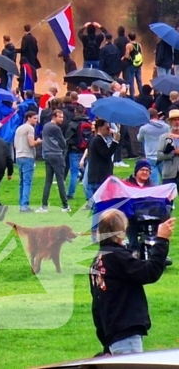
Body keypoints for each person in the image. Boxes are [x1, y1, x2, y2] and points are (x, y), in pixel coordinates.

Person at [89, 209, 173, 355]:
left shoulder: (98, 261)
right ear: (121, 231)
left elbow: (97, 305)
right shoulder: (117, 257)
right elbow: (149, 272)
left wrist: (105, 339)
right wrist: (162, 241)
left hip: (112, 333)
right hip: (125, 331)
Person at [38, 109, 69, 213]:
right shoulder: (56, 128)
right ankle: (65, 205)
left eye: (62, 117)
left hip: (47, 154)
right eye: (60, 117)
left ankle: (44, 205)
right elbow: (63, 142)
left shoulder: (46, 126)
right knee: (60, 180)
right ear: (54, 117)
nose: (62, 119)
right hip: (56, 154)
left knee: (48, 181)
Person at [84, 119, 117, 201]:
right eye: (107, 128)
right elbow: (106, 154)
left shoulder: (96, 139)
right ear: (100, 128)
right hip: (99, 178)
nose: (109, 130)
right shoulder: (98, 140)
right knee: (101, 204)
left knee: (100, 205)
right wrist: (115, 141)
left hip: (97, 177)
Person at [14, 110, 40, 211]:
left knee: (21, 181)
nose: (36, 120)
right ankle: (24, 205)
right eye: (34, 118)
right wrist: (38, 142)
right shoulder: (30, 128)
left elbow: (15, 145)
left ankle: (21, 203)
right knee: (27, 182)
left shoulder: (19, 128)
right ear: (28, 118)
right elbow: (31, 143)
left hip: (19, 156)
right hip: (27, 156)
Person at [137, 110, 169, 185]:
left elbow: (139, 138)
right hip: (163, 155)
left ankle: (156, 195)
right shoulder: (166, 127)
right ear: (157, 115)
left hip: (151, 156)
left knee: (154, 182)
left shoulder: (144, 128)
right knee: (166, 179)